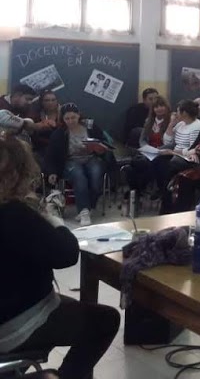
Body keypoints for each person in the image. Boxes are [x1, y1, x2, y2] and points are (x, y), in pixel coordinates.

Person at [0, 137, 120, 379]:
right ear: (17, 173)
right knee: (105, 320)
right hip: (14, 324)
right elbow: (66, 255)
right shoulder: (13, 214)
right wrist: (54, 219)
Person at [44, 104, 109, 227]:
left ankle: (89, 207)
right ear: (63, 119)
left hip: (91, 157)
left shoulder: (90, 127)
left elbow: (103, 142)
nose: (70, 121)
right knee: (79, 176)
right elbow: (51, 155)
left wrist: (98, 148)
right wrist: (51, 172)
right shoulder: (59, 134)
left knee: (96, 176)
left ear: (79, 116)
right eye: (67, 119)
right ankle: (84, 211)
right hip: (71, 160)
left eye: (73, 118)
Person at [156, 100, 200, 213]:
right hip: (176, 153)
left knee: (170, 165)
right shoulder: (181, 124)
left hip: (188, 158)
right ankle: (162, 190)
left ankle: (166, 197)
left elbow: (193, 149)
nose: (175, 113)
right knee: (158, 161)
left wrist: (173, 152)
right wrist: (171, 123)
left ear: (184, 113)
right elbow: (167, 140)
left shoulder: (197, 126)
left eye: (177, 111)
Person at [124, 95, 171, 203]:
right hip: (149, 151)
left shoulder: (171, 122)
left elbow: (172, 142)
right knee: (133, 164)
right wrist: (147, 148)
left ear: (166, 107)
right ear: (153, 109)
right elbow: (142, 139)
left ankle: (136, 190)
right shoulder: (149, 121)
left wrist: (158, 150)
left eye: (161, 106)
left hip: (163, 153)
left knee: (149, 165)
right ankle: (137, 190)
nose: (159, 109)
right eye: (156, 107)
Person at [30, 89, 60, 156]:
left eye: (53, 100)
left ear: (57, 101)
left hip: (61, 147)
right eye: (47, 100)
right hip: (41, 149)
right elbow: (33, 135)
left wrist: (57, 125)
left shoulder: (64, 114)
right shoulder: (36, 115)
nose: (50, 103)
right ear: (42, 102)